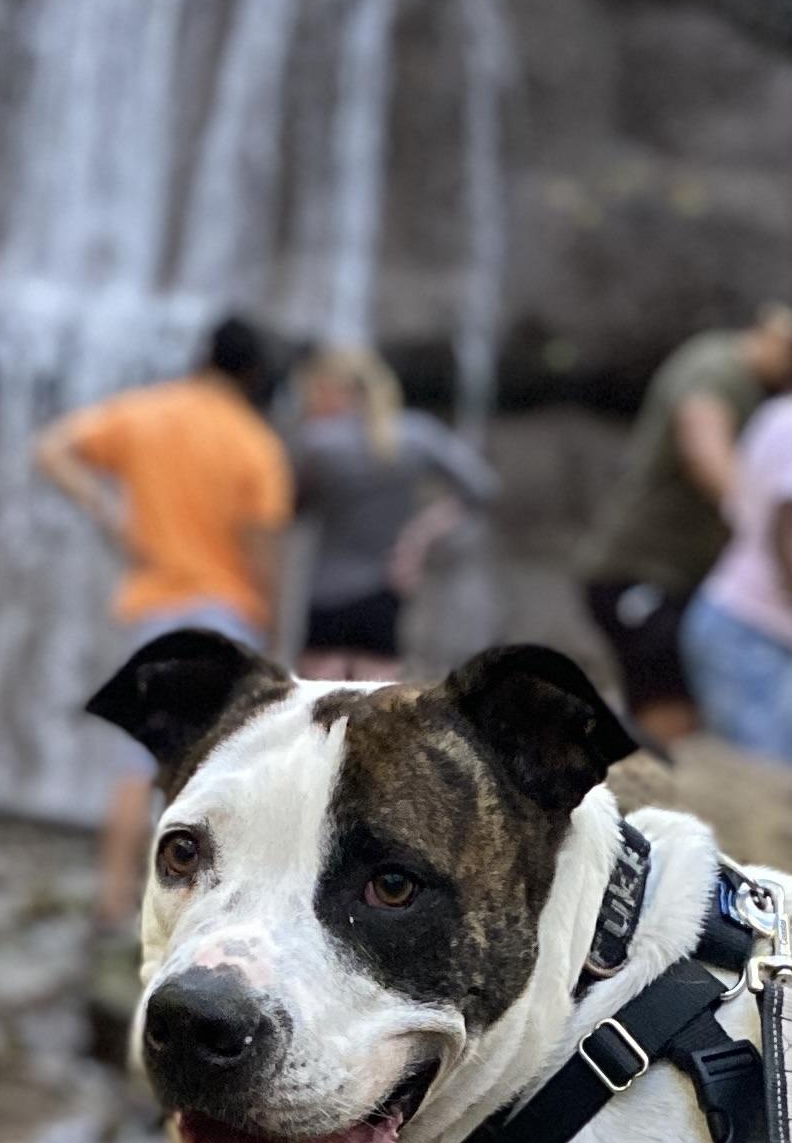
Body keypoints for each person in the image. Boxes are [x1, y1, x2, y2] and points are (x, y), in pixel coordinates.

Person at [34, 314, 291, 918]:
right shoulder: (254, 442)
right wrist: (274, 622)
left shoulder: (144, 413)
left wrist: (109, 513)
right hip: (226, 616)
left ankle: (110, 900)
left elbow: (51, 449)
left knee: (141, 761)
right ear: (253, 374)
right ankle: (201, 907)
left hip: (157, 611)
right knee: (218, 771)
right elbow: (260, 548)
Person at [573, 302, 792, 738]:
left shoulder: (764, 393)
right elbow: (704, 445)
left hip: (685, 583)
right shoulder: (718, 367)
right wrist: (759, 525)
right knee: (669, 713)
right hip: (637, 571)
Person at [678, 304, 792, 770]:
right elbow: (784, 537)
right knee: (778, 794)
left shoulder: (775, 416)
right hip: (753, 632)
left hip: (754, 629)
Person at [283, 342, 497, 676]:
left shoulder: (317, 443)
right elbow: (482, 487)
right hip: (386, 589)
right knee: (375, 713)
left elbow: (288, 508)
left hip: (326, 594)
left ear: (335, 388)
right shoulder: (416, 435)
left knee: (319, 712)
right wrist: (419, 536)